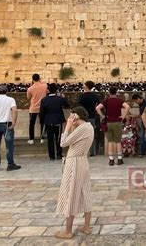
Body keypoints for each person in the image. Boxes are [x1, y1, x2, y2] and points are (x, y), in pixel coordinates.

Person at [55, 106, 95, 239]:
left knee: (70, 194)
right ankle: (87, 226)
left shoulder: (82, 128)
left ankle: (68, 231)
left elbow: (63, 143)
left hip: (74, 163)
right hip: (82, 161)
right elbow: (73, 139)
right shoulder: (88, 127)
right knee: (85, 192)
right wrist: (72, 127)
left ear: (77, 116)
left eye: (72, 116)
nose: (70, 119)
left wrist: (67, 126)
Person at [95, 86, 130, 166]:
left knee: (110, 141)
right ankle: (120, 159)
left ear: (109, 92)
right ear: (116, 92)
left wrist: (102, 116)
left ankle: (111, 159)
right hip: (117, 122)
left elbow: (97, 108)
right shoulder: (120, 100)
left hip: (108, 122)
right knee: (118, 141)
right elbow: (127, 107)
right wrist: (124, 116)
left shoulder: (106, 100)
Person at [40, 83, 69, 161]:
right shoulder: (60, 99)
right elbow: (67, 105)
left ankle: (51, 156)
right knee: (58, 138)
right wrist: (63, 97)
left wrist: (42, 121)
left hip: (48, 121)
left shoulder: (44, 100)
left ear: (48, 90)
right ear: (56, 90)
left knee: (50, 139)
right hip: (58, 120)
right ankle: (59, 154)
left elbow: (42, 112)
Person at [78, 81, 101, 156]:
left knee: (83, 135)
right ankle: (92, 152)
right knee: (92, 135)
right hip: (92, 116)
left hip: (83, 117)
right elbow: (98, 105)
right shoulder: (95, 96)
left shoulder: (82, 96)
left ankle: (84, 151)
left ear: (87, 86)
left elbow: (79, 106)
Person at [26, 74, 47, 144]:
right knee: (43, 123)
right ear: (39, 78)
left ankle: (31, 139)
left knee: (32, 124)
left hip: (33, 108)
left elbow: (28, 97)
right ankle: (42, 138)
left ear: (32, 79)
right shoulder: (45, 86)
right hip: (42, 108)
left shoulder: (30, 88)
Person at [132, 93, 146, 157]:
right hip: (143, 123)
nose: (136, 103)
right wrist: (136, 116)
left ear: (138, 99)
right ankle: (142, 152)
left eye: (136, 101)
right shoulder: (140, 104)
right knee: (142, 138)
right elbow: (141, 114)